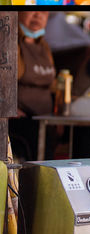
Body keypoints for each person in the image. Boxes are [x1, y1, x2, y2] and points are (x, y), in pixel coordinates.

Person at [9, 10, 57, 161]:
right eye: (32, 10)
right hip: (21, 122)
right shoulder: (9, 41)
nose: (38, 16)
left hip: (45, 119)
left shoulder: (44, 46)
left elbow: (53, 84)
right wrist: (8, 106)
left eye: (44, 12)